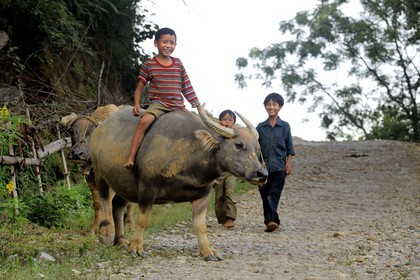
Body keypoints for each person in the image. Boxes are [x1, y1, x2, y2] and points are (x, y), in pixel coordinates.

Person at [124, 27, 201, 168]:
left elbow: (187, 87)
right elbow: (140, 87)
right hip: (158, 104)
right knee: (144, 121)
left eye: (172, 43)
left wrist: (198, 106)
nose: (168, 46)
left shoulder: (178, 63)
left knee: (198, 125)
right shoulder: (149, 64)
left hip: (177, 105)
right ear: (156, 43)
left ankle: (201, 166)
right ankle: (131, 157)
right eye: (165, 42)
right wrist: (136, 104)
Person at [256, 93, 294, 232]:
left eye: (274, 104)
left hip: (279, 167)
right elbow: (255, 148)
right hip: (263, 168)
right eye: (269, 104)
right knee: (264, 193)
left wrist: (288, 163)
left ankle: (270, 221)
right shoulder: (260, 127)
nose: (271, 107)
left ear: (280, 107)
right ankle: (274, 219)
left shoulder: (285, 126)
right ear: (265, 106)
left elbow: (289, 146)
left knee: (274, 193)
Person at [213, 110, 238, 229]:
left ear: (234, 123)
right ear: (220, 122)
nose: (227, 122)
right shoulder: (216, 136)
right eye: (224, 120)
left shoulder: (236, 138)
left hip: (231, 171)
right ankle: (223, 219)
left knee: (229, 193)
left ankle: (230, 219)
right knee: (219, 197)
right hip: (218, 172)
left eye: (230, 120)